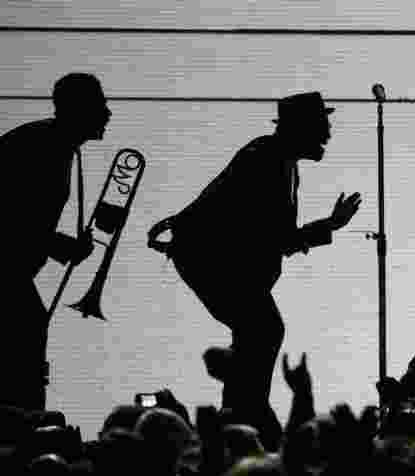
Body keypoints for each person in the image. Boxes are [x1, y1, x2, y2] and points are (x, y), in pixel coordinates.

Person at [148, 91, 361, 449]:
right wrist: (330, 226)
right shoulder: (268, 160)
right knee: (263, 330)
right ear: (300, 129)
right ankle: (245, 417)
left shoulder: (277, 160)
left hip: (218, 265)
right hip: (213, 263)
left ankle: (243, 411)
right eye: (322, 126)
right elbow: (277, 239)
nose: (328, 134)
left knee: (259, 334)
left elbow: (274, 238)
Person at [0, 73, 104, 411]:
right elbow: (11, 217)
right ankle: (20, 419)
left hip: (8, 265)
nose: (107, 113)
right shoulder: (45, 146)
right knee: (26, 331)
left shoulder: (55, 145)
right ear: (80, 109)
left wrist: (60, 246)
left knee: (24, 331)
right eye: (100, 105)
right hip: (1, 263)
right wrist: (62, 247)